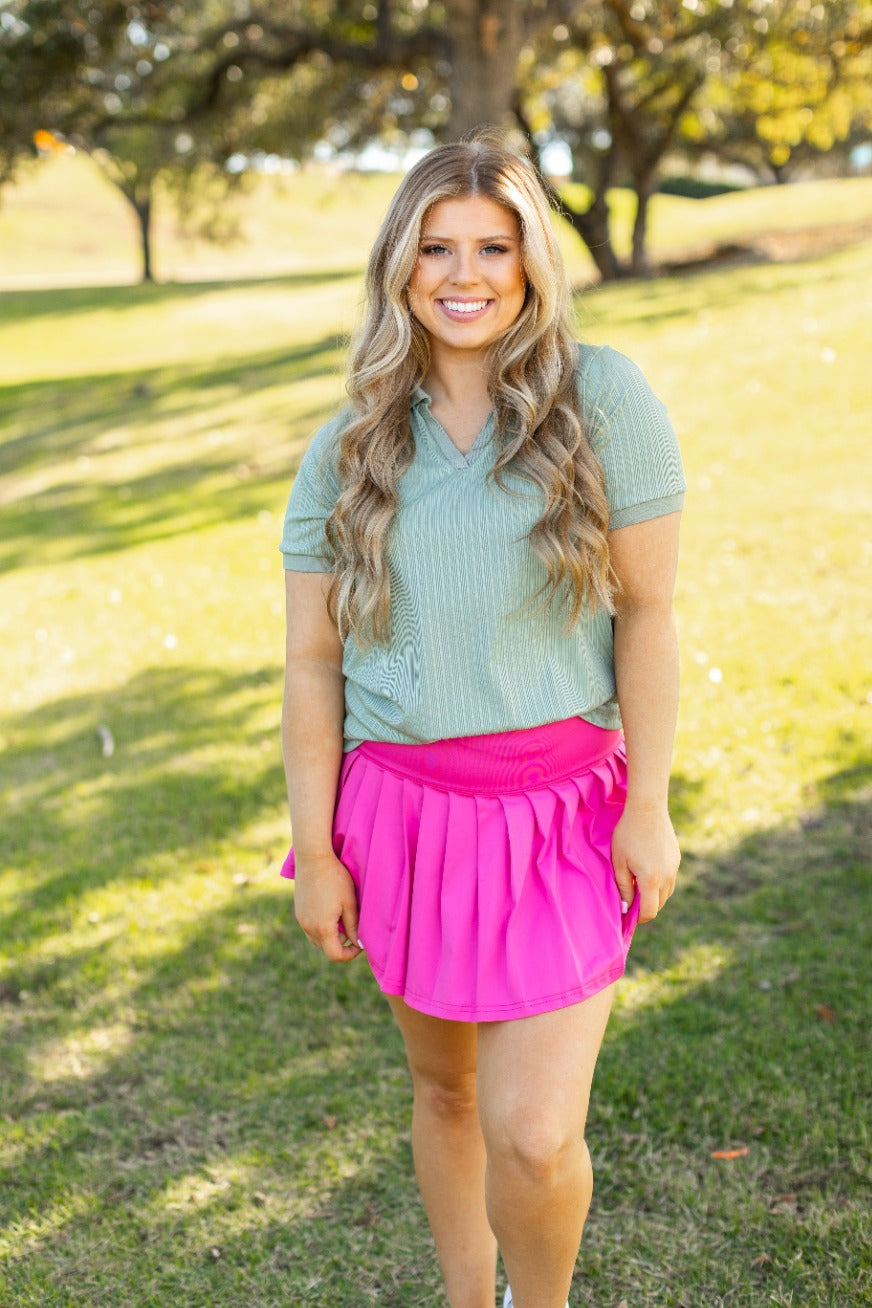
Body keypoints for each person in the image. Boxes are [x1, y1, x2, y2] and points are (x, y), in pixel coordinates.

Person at [279, 138, 684, 1308]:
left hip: (560, 814)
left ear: (529, 262)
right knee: (446, 1091)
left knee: (534, 1133)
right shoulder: (349, 447)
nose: (464, 276)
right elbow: (311, 664)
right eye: (435, 249)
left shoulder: (602, 397)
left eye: (492, 248)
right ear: (399, 268)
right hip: (401, 818)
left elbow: (648, 612)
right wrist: (315, 851)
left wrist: (649, 805)